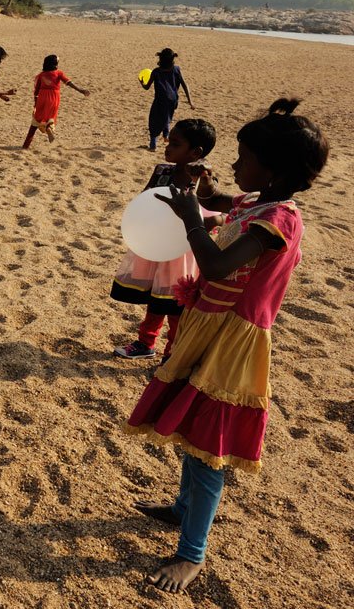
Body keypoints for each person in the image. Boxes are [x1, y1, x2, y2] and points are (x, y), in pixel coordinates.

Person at [124, 98, 329, 593]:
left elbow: (217, 265)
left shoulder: (279, 221)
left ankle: (192, 555)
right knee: (189, 430)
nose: (234, 165)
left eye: (242, 157)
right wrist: (202, 191)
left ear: (273, 167)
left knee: (206, 448)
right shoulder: (256, 202)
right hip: (206, 327)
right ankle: (180, 509)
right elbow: (221, 205)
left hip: (231, 342)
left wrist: (193, 217)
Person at [110, 119, 219, 361]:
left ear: (196, 152)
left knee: (176, 302)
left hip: (182, 250)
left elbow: (211, 213)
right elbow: (145, 198)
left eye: (176, 144)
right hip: (156, 243)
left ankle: (172, 352)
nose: (167, 148)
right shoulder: (162, 171)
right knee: (156, 296)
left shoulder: (203, 178)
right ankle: (145, 342)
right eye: (168, 142)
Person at [22, 54, 89, 148]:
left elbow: (36, 91)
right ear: (55, 64)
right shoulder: (58, 73)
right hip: (54, 98)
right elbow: (68, 82)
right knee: (50, 117)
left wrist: (36, 102)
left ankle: (26, 145)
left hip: (42, 97)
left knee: (36, 119)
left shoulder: (41, 75)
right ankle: (48, 128)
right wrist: (80, 90)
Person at [142, 48, 194, 151]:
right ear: (172, 60)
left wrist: (142, 82)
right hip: (173, 100)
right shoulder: (177, 69)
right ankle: (166, 134)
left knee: (154, 120)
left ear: (160, 59)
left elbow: (147, 87)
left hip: (160, 100)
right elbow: (184, 84)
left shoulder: (156, 72)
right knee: (167, 116)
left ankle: (153, 145)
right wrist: (190, 101)